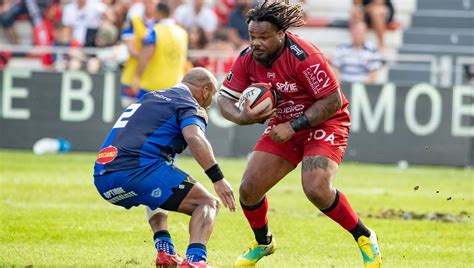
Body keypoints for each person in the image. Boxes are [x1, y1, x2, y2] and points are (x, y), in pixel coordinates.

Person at [216, 1, 382, 267]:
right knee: (249, 190)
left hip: (324, 122)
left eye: (263, 37)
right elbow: (223, 98)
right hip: (284, 125)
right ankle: (264, 243)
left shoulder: (305, 56)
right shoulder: (248, 58)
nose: (256, 43)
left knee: (316, 188)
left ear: (281, 34)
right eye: (252, 36)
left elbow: (332, 101)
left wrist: (293, 126)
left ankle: (364, 236)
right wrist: (240, 116)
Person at [94, 67, 236, 268]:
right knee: (207, 203)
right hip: (137, 170)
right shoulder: (189, 104)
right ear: (205, 90)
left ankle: (165, 249)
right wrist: (218, 179)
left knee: (158, 183)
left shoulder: (149, 97)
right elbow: (195, 137)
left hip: (103, 177)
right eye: (211, 95)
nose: (210, 102)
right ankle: (196, 261)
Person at [130, 2, 188, 101]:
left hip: (153, 86)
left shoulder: (154, 31)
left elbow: (146, 56)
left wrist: (136, 77)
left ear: (158, 13)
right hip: (175, 86)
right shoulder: (182, 33)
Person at [119, 0, 159, 107]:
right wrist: (144, 55)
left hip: (153, 75)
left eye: (152, 2)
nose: (149, 5)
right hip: (133, 72)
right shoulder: (134, 20)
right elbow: (129, 44)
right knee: (128, 107)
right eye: (147, 2)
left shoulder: (160, 24)